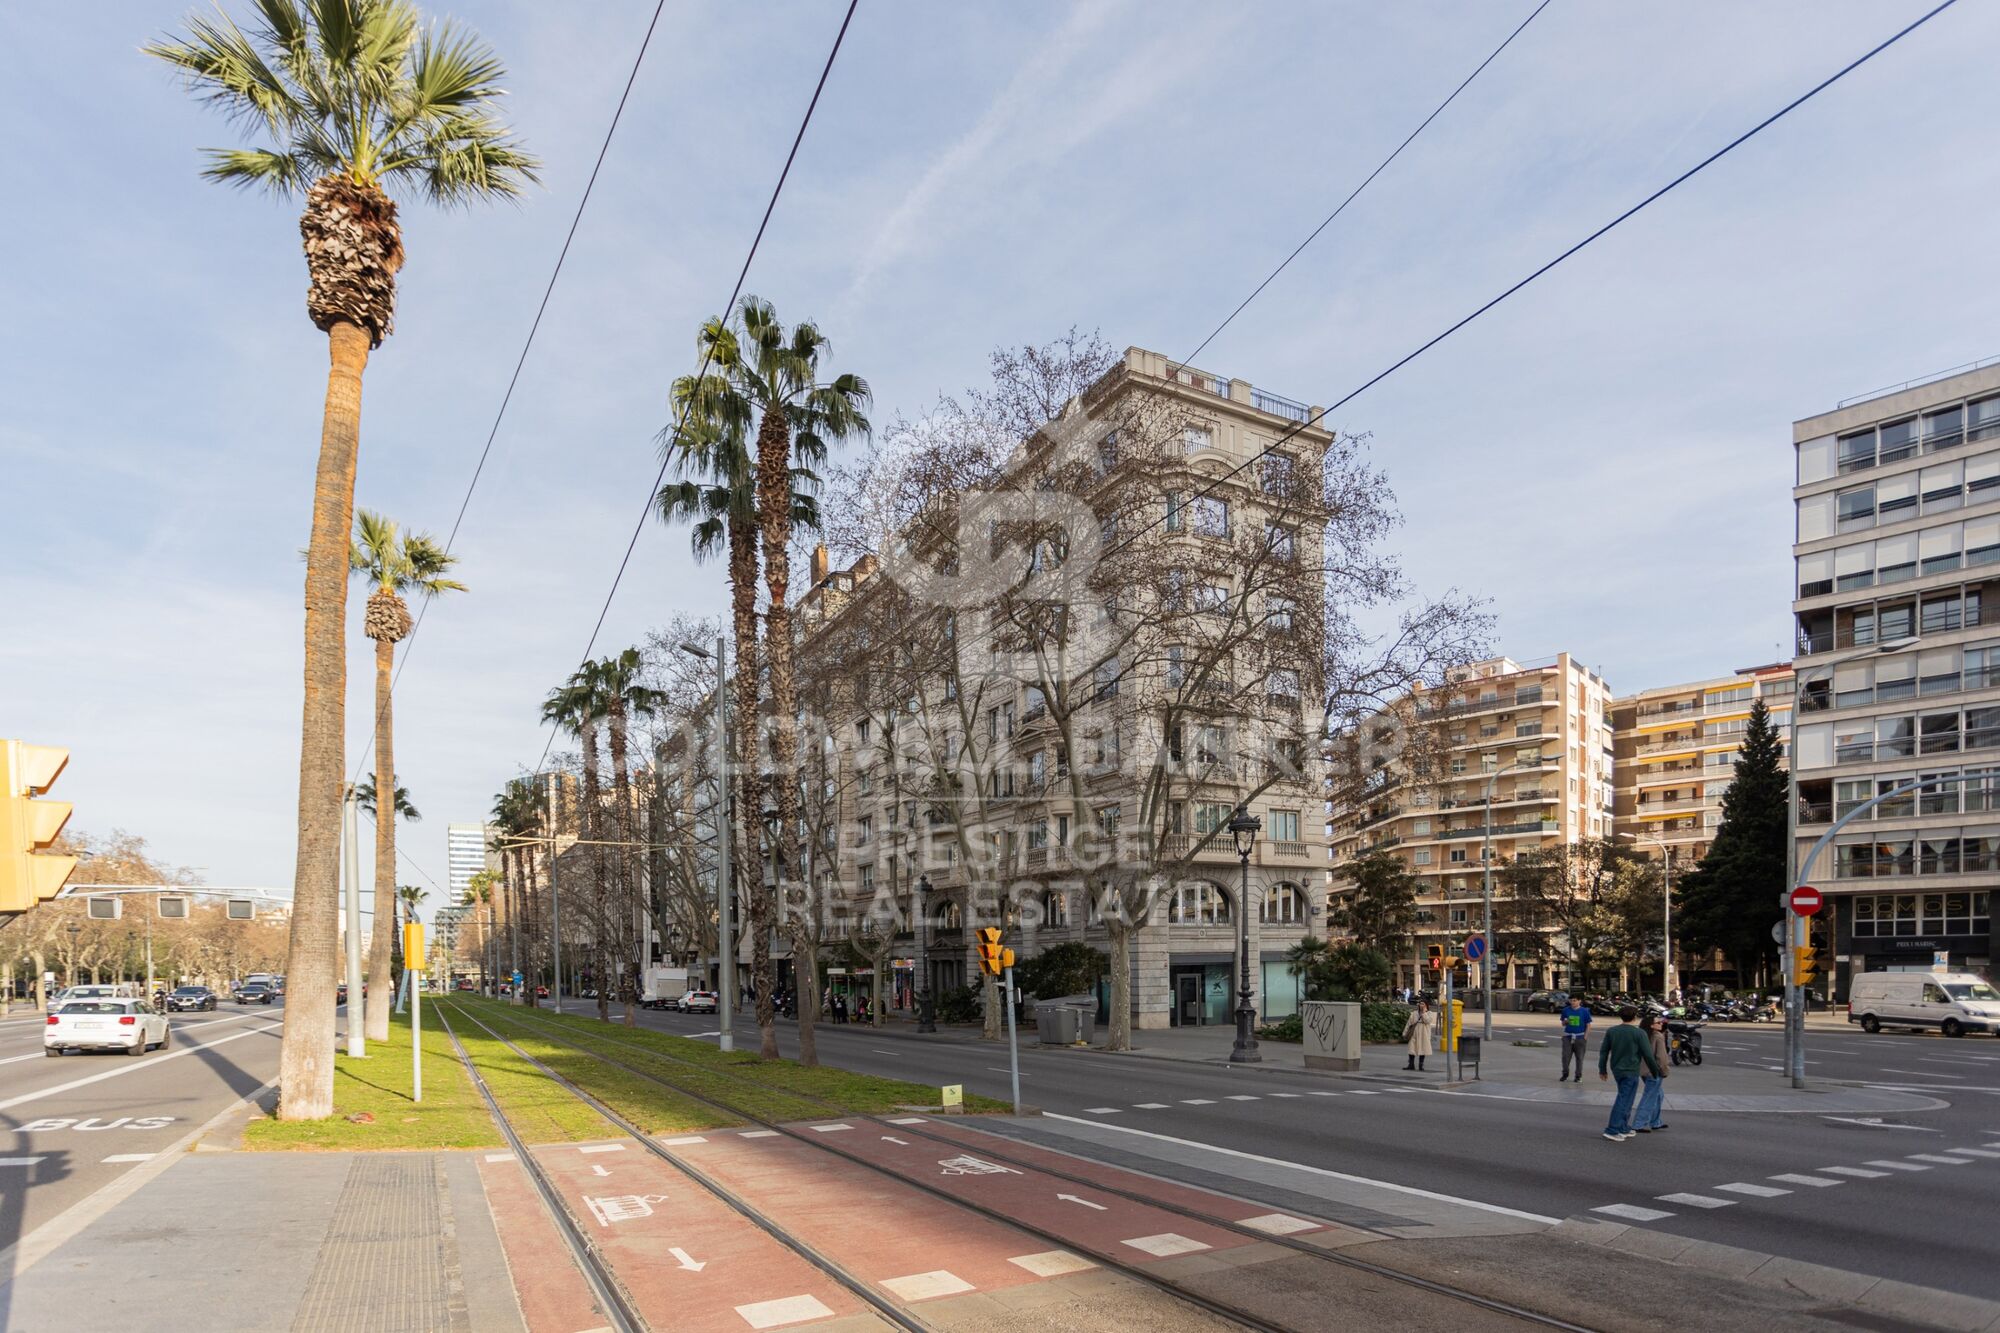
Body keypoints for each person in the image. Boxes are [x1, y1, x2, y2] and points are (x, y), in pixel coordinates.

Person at [1598, 1006, 1665, 1141]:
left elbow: (1604, 1051)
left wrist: (1602, 1069)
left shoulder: (1612, 1031)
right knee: (1624, 1099)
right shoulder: (1639, 1033)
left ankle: (1623, 1127)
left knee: (1626, 1098)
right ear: (1635, 1017)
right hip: (1631, 1069)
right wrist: (1655, 1071)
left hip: (1617, 1069)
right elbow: (1647, 1055)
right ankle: (1612, 1129)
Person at [1633, 1013, 1670, 1133]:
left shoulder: (1642, 1035)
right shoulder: (1657, 1036)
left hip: (1643, 1070)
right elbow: (1661, 1057)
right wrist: (1664, 1071)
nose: (1661, 1024)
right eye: (1658, 1023)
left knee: (1658, 1095)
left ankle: (1655, 1122)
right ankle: (1638, 1124)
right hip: (1654, 1071)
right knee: (1649, 1097)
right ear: (1652, 1026)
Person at [1558, 994, 1592, 1082]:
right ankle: (1565, 1073)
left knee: (1579, 1058)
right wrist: (1565, 1022)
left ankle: (1578, 1076)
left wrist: (1585, 1037)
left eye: (1575, 1000)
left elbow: (1588, 1025)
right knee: (1565, 1057)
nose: (1573, 1002)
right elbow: (1562, 1023)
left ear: (1579, 1001)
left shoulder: (1584, 1011)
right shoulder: (1566, 1010)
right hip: (1568, 1036)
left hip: (1580, 1037)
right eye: (1571, 1000)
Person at [1402, 999, 1436, 1072]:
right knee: (1411, 1048)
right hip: (1414, 1032)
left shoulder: (1429, 1013)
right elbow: (1409, 1023)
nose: (1421, 1005)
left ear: (1426, 1005)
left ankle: (1421, 1065)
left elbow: (1427, 1021)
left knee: (1423, 1049)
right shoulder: (1414, 1013)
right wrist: (1405, 1032)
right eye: (1420, 1004)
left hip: (1424, 1033)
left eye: (1423, 1004)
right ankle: (1411, 1065)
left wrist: (1424, 1013)